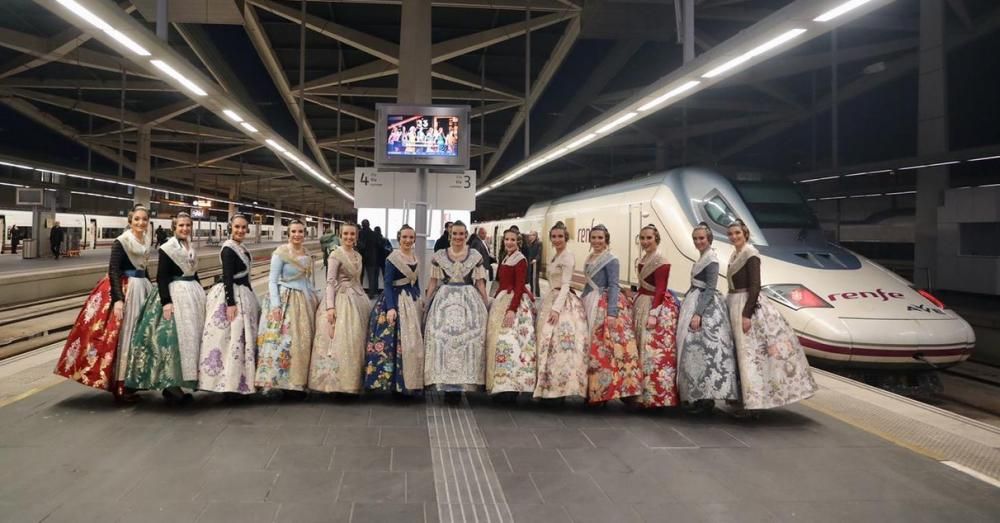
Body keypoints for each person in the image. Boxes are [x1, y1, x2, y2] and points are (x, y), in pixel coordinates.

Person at [54, 204, 152, 402]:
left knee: (138, 336)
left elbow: (145, 267)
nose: (141, 223)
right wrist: (118, 299)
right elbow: (114, 270)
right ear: (130, 222)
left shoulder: (145, 240)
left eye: (144, 220)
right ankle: (120, 385)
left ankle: (132, 382)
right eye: (137, 219)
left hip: (143, 288)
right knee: (124, 335)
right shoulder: (121, 242)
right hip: (127, 290)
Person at [726, 219, 817, 410]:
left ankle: (754, 402)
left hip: (744, 305)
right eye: (731, 234)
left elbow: (755, 285)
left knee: (750, 356)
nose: (734, 237)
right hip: (734, 302)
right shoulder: (736, 254)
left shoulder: (751, 254)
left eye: (737, 233)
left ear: (745, 235)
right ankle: (742, 398)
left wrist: (746, 314)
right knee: (739, 354)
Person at [126, 212, 204, 404]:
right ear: (174, 228)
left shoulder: (189, 246)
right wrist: (166, 302)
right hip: (176, 296)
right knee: (171, 343)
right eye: (181, 226)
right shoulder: (167, 248)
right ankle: (171, 386)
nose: (185, 229)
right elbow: (162, 277)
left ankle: (181, 383)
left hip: (192, 295)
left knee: (191, 340)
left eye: (188, 225)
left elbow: (194, 273)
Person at [424, 221, 489, 404]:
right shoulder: (439, 256)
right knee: (442, 341)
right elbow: (432, 282)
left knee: (469, 341)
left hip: (469, 302)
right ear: (450, 234)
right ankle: (447, 387)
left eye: (462, 234)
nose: (459, 237)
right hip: (444, 301)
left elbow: (480, 283)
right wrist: (427, 303)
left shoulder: (475, 256)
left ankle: (464, 385)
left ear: (466, 235)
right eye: (455, 234)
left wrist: (485, 304)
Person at [676, 223, 738, 412]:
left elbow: (710, 288)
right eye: (695, 238)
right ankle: (696, 394)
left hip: (705, 307)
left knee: (704, 352)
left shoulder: (711, 259)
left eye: (701, 238)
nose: (698, 241)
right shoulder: (703, 257)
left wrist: (698, 313)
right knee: (694, 352)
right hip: (694, 300)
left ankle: (706, 398)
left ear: (709, 239)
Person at [255, 220, 318, 398]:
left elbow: (307, 280)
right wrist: (276, 305)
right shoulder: (280, 253)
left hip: (303, 300)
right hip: (285, 300)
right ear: (288, 233)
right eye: (294, 232)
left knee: (301, 343)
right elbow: (272, 280)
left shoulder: (307, 253)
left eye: (300, 231)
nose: (297, 235)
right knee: (284, 342)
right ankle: (282, 382)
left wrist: (314, 297)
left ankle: (297, 382)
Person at [199, 215, 260, 395]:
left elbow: (246, 278)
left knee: (242, 341)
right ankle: (228, 385)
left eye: (243, 228)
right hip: (232, 297)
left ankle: (240, 382)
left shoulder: (243, 248)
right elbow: (227, 276)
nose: (240, 230)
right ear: (230, 228)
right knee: (230, 341)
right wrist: (230, 303)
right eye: (237, 227)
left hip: (244, 295)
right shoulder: (228, 249)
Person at [581, 224, 641, 404]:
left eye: (600, 238)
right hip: (590, 301)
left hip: (604, 305)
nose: (597, 241)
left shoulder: (611, 259)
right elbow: (587, 284)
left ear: (606, 239)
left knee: (605, 350)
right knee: (591, 348)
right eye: (594, 238)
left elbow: (614, 285)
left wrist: (612, 312)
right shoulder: (590, 257)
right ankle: (592, 389)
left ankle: (604, 391)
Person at [310, 223, 371, 395]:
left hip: (357, 299)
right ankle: (337, 385)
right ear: (341, 235)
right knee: (340, 341)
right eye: (346, 234)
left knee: (356, 340)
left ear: (356, 236)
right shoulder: (335, 255)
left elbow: (358, 280)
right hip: (340, 299)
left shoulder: (358, 256)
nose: (349, 237)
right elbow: (330, 282)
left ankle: (353, 381)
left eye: (353, 234)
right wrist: (330, 307)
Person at [364, 225, 424, 394]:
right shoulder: (392, 258)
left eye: (411, 237)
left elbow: (416, 282)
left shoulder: (415, 257)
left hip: (411, 302)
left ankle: (409, 382)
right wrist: (390, 308)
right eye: (405, 237)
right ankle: (393, 385)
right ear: (399, 238)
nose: (408, 240)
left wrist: (419, 297)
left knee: (411, 344)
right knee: (393, 344)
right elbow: (388, 285)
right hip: (395, 301)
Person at [533, 221, 589, 400]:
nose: (557, 240)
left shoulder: (567, 257)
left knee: (559, 345)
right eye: (554, 237)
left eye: (560, 237)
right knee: (546, 343)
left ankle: (559, 389)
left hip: (562, 303)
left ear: (566, 238)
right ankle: (546, 385)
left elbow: (566, 285)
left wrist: (556, 309)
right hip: (551, 298)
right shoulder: (555, 256)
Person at [632, 224, 680, 408]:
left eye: (649, 238)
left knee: (650, 351)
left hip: (653, 305)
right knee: (639, 347)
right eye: (642, 238)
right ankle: (638, 394)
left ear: (656, 239)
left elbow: (660, 289)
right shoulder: (643, 258)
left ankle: (653, 395)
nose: (645, 241)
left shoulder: (661, 261)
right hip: (641, 303)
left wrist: (654, 314)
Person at [486, 229, 536, 397]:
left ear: (518, 242)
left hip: (515, 303)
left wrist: (512, 310)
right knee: (497, 341)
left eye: (512, 240)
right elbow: (501, 283)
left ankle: (511, 386)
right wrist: (493, 299)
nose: (509, 242)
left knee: (509, 343)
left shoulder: (521, 260)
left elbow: (520, 286)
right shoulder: (506, 257)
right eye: (506, 239)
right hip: (502, 300)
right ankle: (499, 384)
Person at [522, 231, 542, 296]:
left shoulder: (539, 243)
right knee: (530, 280)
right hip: (530, 264)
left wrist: (535, 259)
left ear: (536, 236)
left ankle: (537, 294)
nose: (531, 236)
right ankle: (532, 293)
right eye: (530, 235)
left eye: (532, 235)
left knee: (535, 280)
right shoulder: (529, 244)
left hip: (535, 265)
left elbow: (539, 253)